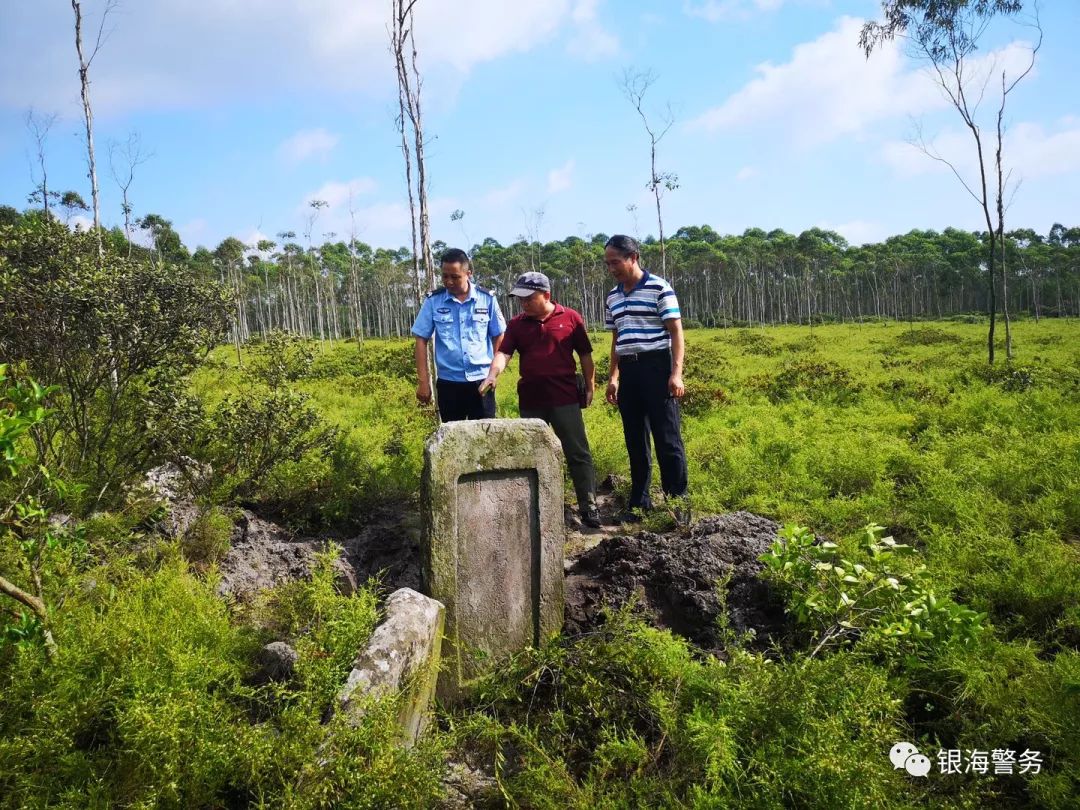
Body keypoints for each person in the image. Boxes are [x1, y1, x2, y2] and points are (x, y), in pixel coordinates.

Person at [479, 271, 602, 529]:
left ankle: (589, 508)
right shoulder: (516, 324)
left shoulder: (570, 318)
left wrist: (590, 385)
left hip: (565, 398)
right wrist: (493, 374)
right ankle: (539, 508)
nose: (523, 303)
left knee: (577, 453)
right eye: (520, 299)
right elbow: (504, 353)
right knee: (532, 455)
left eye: (528, 298)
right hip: (532, 402)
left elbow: (585, 355)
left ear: (546, 295)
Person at [602, 234, 690, 524]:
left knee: (667, 439)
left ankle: (678, 505)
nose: (612, 268)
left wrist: (676, 374)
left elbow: (676, 332)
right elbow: (617, 338)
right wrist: (613, 376)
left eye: (616, 262)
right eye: (608, 263)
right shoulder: (612, 297)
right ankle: (640, 503)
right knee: (635, 440)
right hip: (629, 370)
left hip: (657, 367)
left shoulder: (659, 288)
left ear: (633, 257)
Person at [411, 248, 505, 422]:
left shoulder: (487, 299)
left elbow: (498, 335)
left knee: (485, 438)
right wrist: (423, 381)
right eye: (445, 276)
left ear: (468, 273)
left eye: (455, 277)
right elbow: (421, 339)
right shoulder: (433, 301)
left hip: (481, 382)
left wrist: (493, 373)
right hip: (449, 384)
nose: (449, 281)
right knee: (451, 441)